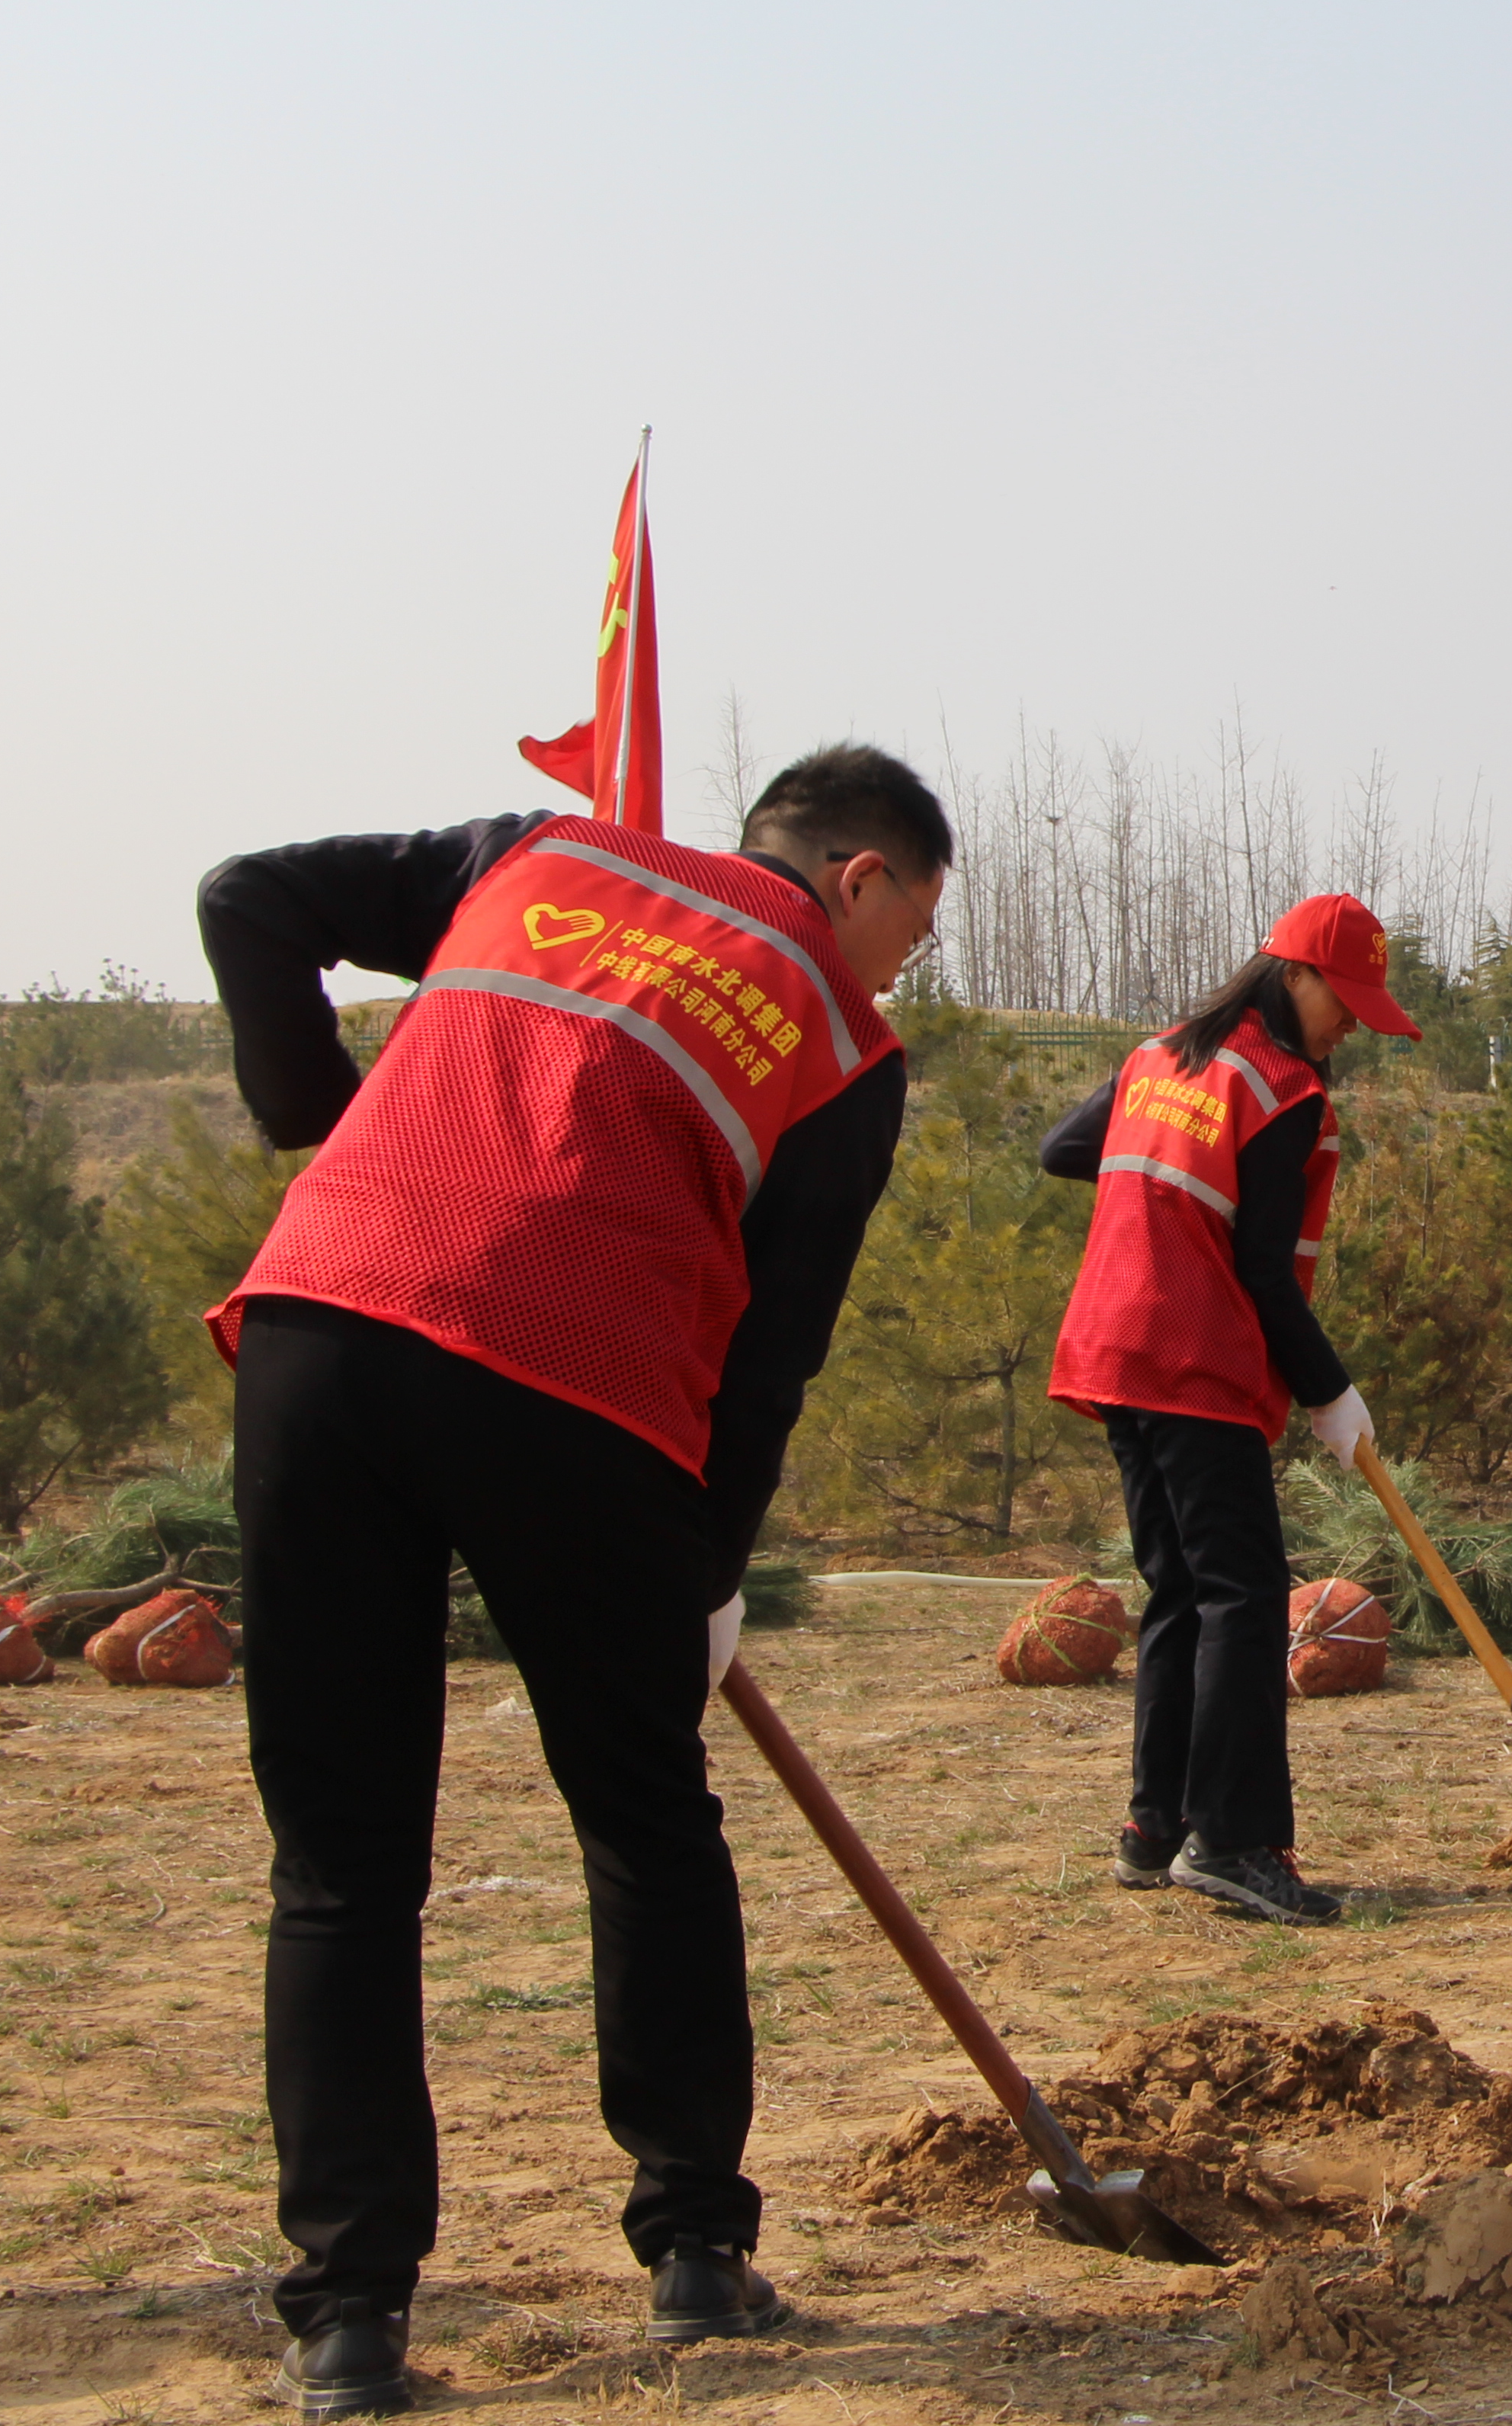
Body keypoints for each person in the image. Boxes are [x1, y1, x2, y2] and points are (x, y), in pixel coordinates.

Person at [202, 744, 949, 2420]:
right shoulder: (838, 1045)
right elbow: (766, 1360)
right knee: (643, 1817)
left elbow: (247, 897)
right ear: (857, 877)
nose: (906, 965)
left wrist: (317, 1131)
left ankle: (352, 2320)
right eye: (914, 922)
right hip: (577, 1385)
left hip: (322, 1334)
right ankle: (694, 2247)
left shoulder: (530, 857)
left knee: (341, 1859)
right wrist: (709, 1574)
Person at [1042, 893, 1416, 1929]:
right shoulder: (1280, 1087)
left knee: (1179, 1592)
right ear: (1292, 974)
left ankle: (1154, 1827)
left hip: (1115, 1348)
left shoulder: (1163, 1056)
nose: (1352, 1026)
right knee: (1244, 1598)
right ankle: (1236, 1841)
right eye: (1344, 1001)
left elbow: (1063, 1149)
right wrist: (1331, 1394)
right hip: (1192, 1357)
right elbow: (1261, 1271)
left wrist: (1155, 1196)